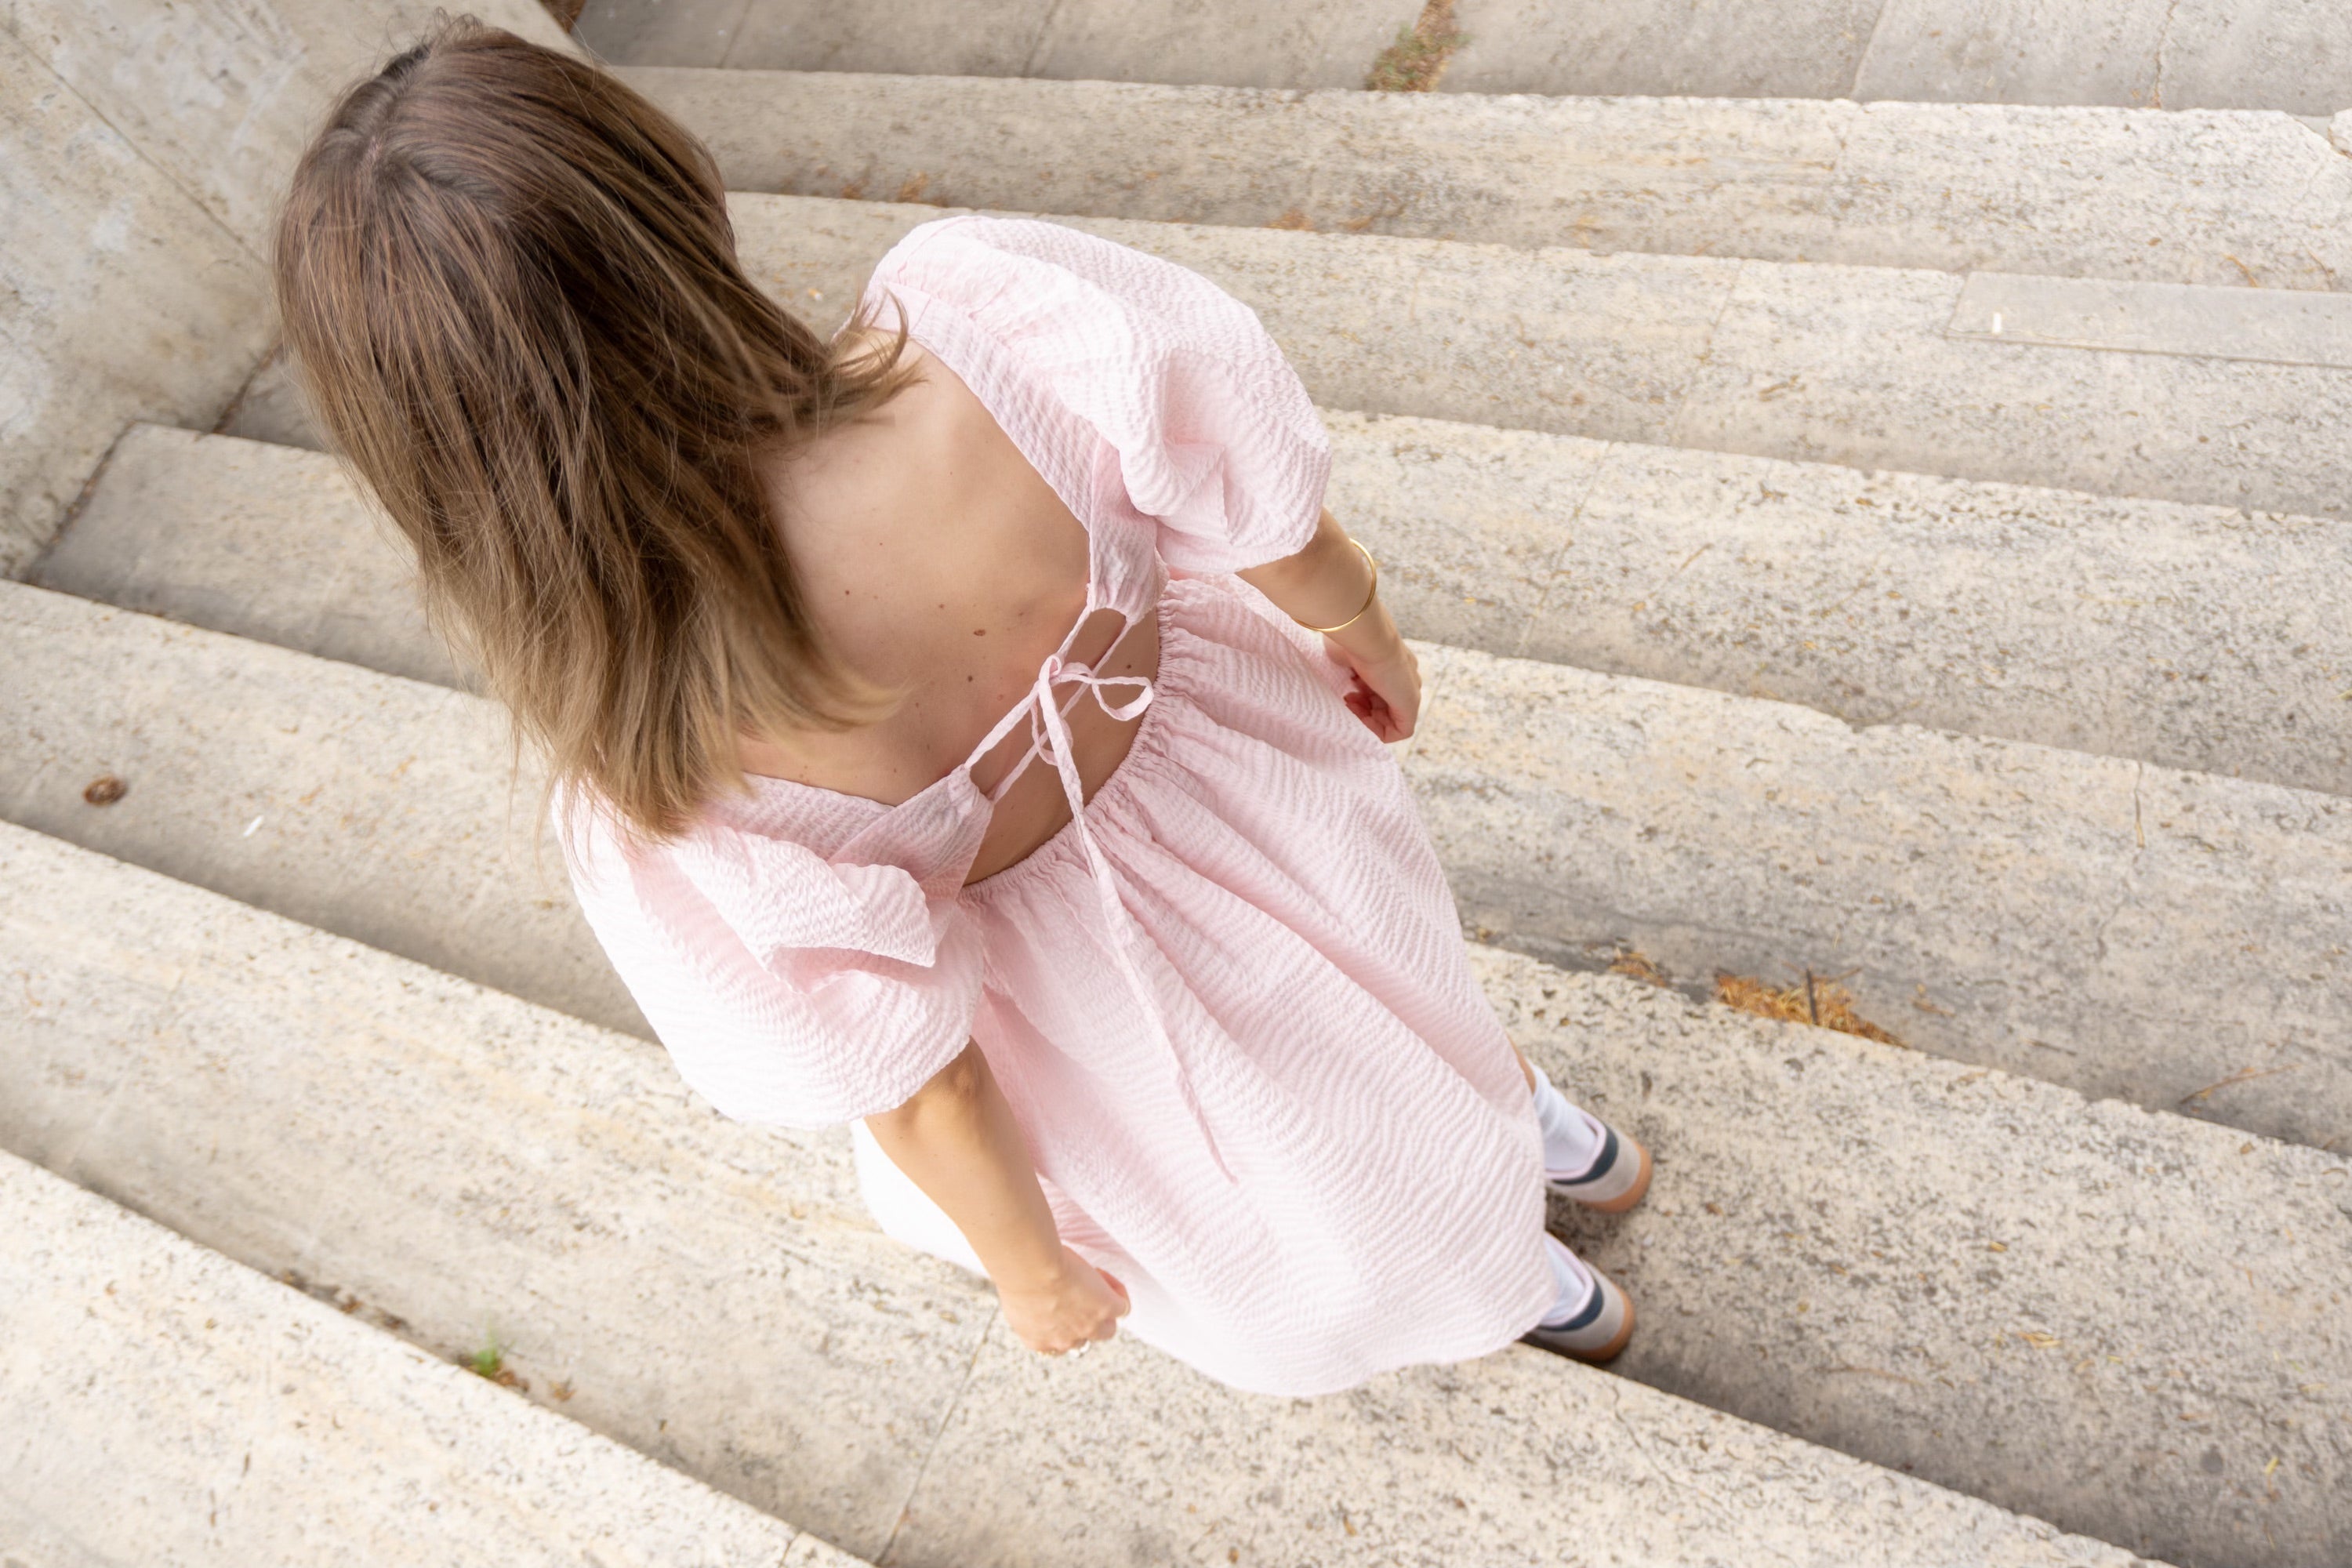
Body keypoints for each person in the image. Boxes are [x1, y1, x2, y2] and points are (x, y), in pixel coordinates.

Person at [272, 19, 1652, 1395]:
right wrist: (1358, 626)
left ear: (433, 447)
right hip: (1261, 794)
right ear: (664, 194)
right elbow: (1255, 491)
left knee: (1311, 1159)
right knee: (1386, 981)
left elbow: (919, 1080)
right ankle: (1535, 1124)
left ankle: (1528, 1281)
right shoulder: (992, 318)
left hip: (1085, 1008)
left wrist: (1030, 1267)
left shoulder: (655, 759)